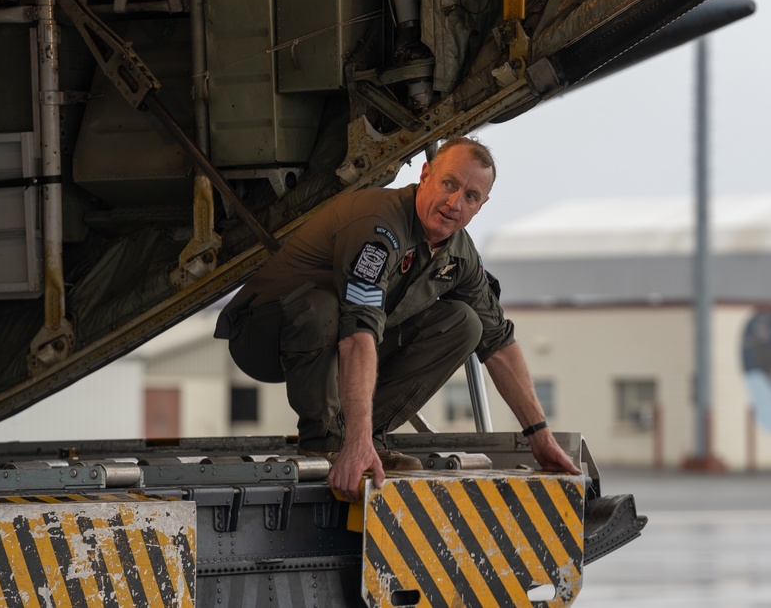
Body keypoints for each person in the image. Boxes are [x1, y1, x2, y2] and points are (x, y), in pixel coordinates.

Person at [215, 137, 580, 500]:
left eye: (470, 196)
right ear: (425, 175)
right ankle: (328, 441)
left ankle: (364, 438)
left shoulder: (460, 254)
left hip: (340, 339)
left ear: (481, 206)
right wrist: (351, 443)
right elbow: (358, 331)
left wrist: (540, 437)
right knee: (323, 308)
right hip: (263, 335)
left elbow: (498, 343)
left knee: (465, 323)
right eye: (449, 184)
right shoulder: (380, 226)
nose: (454, 203)